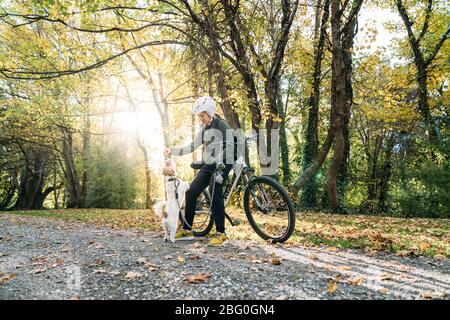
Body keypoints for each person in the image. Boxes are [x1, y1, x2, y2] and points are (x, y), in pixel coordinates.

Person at [164, 96, 234, 246]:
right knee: (191, 191)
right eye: (199, 116)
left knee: (215, 189)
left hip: (224, 161)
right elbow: (191, 146)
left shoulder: (221, 124)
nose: (201, 119)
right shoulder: (204, 130)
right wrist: (172, 151)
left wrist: (220, 161)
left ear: (209, 112)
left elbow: (230, 144)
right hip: (209, 164)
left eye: (202, 115)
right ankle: (187, 229)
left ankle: (221, 233)